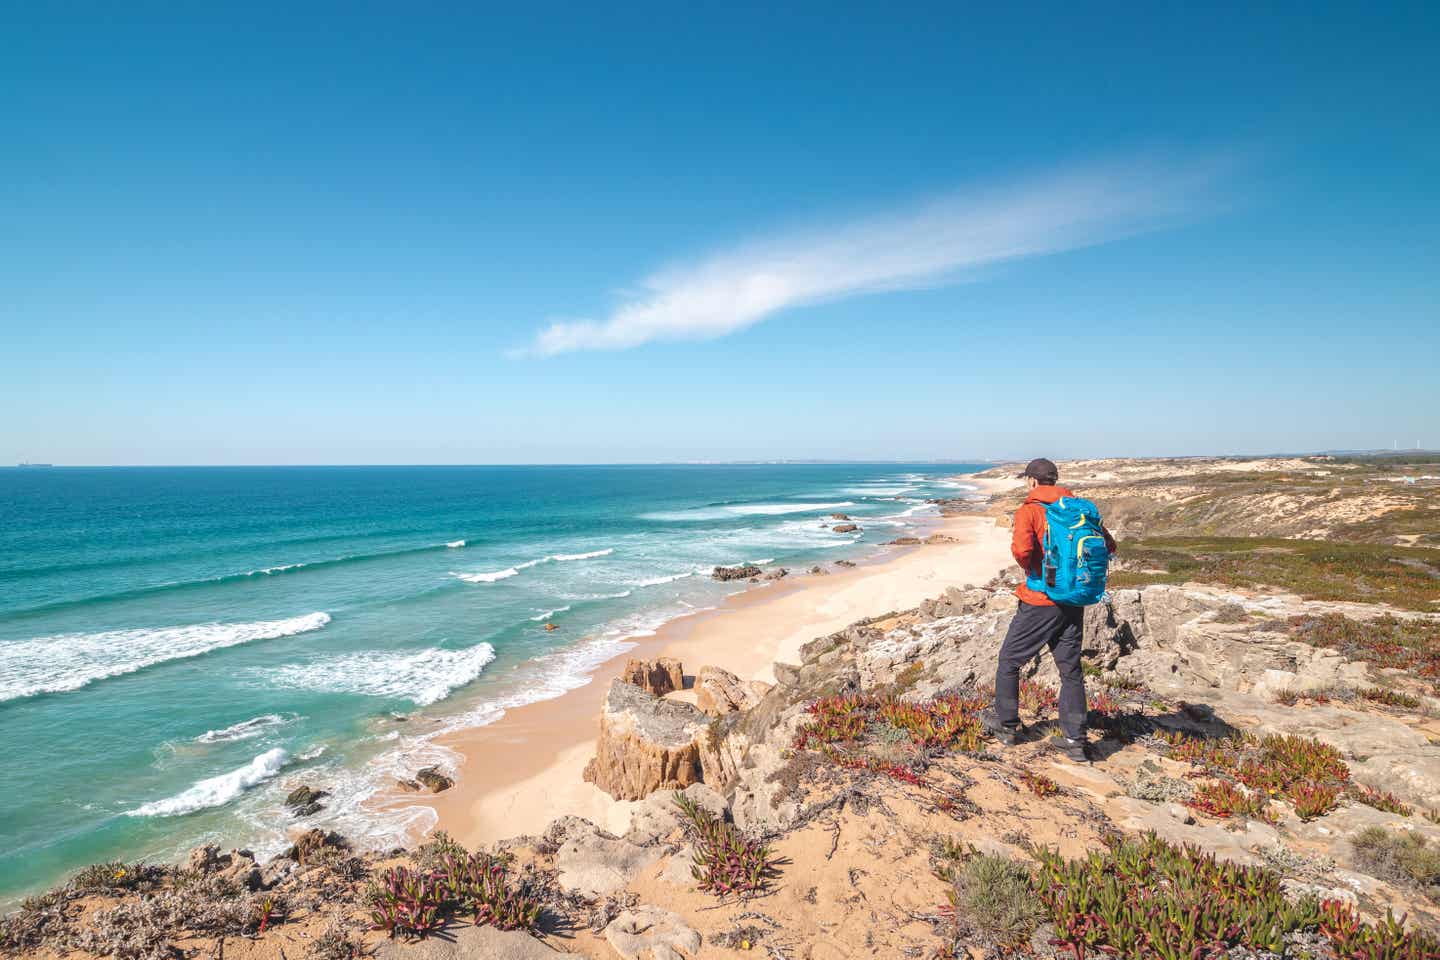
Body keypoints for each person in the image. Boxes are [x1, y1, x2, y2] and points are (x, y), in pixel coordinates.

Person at [983, 458, 1116, 762]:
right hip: (1074, 598)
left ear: (1031, 481)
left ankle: (1006, 726)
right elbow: (1109, 546)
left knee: (1009, 661)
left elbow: (1021, 550)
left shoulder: (1030, 509)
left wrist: (1036, 572)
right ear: (1055, 480)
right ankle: (1075, 741)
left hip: (1041, 600)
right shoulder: (1080, 509)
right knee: (1070, 670)